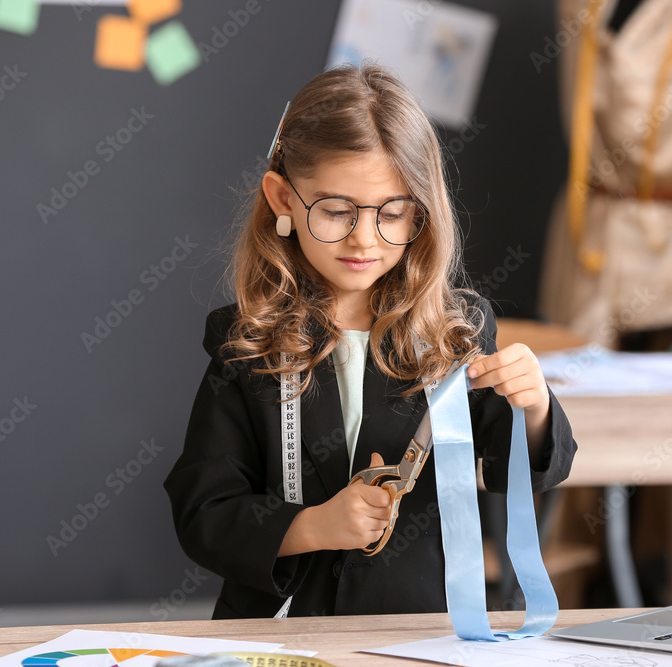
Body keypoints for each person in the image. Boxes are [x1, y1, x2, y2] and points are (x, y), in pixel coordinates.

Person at [164, 63, 577, 619]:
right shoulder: (246, 341)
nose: (363, 237)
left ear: (421, 214)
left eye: (392, 213)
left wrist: (534, 408)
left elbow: (513, 469)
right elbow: (203, 511)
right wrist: (311, 526)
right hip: (281, 635)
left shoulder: (458, 333)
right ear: (283, 199)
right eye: (335, 210)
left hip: (421, 631)